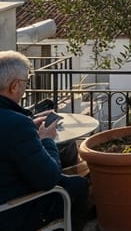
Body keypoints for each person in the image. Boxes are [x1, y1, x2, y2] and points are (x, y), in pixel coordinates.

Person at [0, 51, 89, 230]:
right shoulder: (17, 125)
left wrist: (29, 126)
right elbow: (49, 178)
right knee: (77, 185)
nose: (26, 87)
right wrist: (47, 139)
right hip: (12, 212)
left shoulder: (15, 123)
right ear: (15, 85)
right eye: (26, 81)